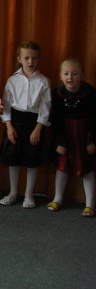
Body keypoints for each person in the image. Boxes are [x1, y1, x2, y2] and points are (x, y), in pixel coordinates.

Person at [0, 42, 51, 208]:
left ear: (39, 59)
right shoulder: (12, 80)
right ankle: (12, 193)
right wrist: (9, 126)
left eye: (34, 58)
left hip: (34, 124)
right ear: (19, 59)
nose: (30, 61)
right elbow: (6, 104)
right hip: (15, 122)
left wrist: (38, 129)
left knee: (32, 160)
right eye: (26, 58)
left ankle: (28, 195)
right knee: (14, 159)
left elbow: (46, 108)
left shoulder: (44, 81)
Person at [47, 58, 96, 217]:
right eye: (66, 73)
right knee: (62, 166)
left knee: (87, 168)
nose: (70, 77)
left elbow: (94, 119)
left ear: (81, 75)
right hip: (65, 134)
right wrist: (59, 141)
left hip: (84, 135)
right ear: (61, 76)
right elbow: (55, 119)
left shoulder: (90, 93)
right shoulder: (57, 93)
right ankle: (57, 198)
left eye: (74, 74)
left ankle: (90, 204)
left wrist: (91, 141)